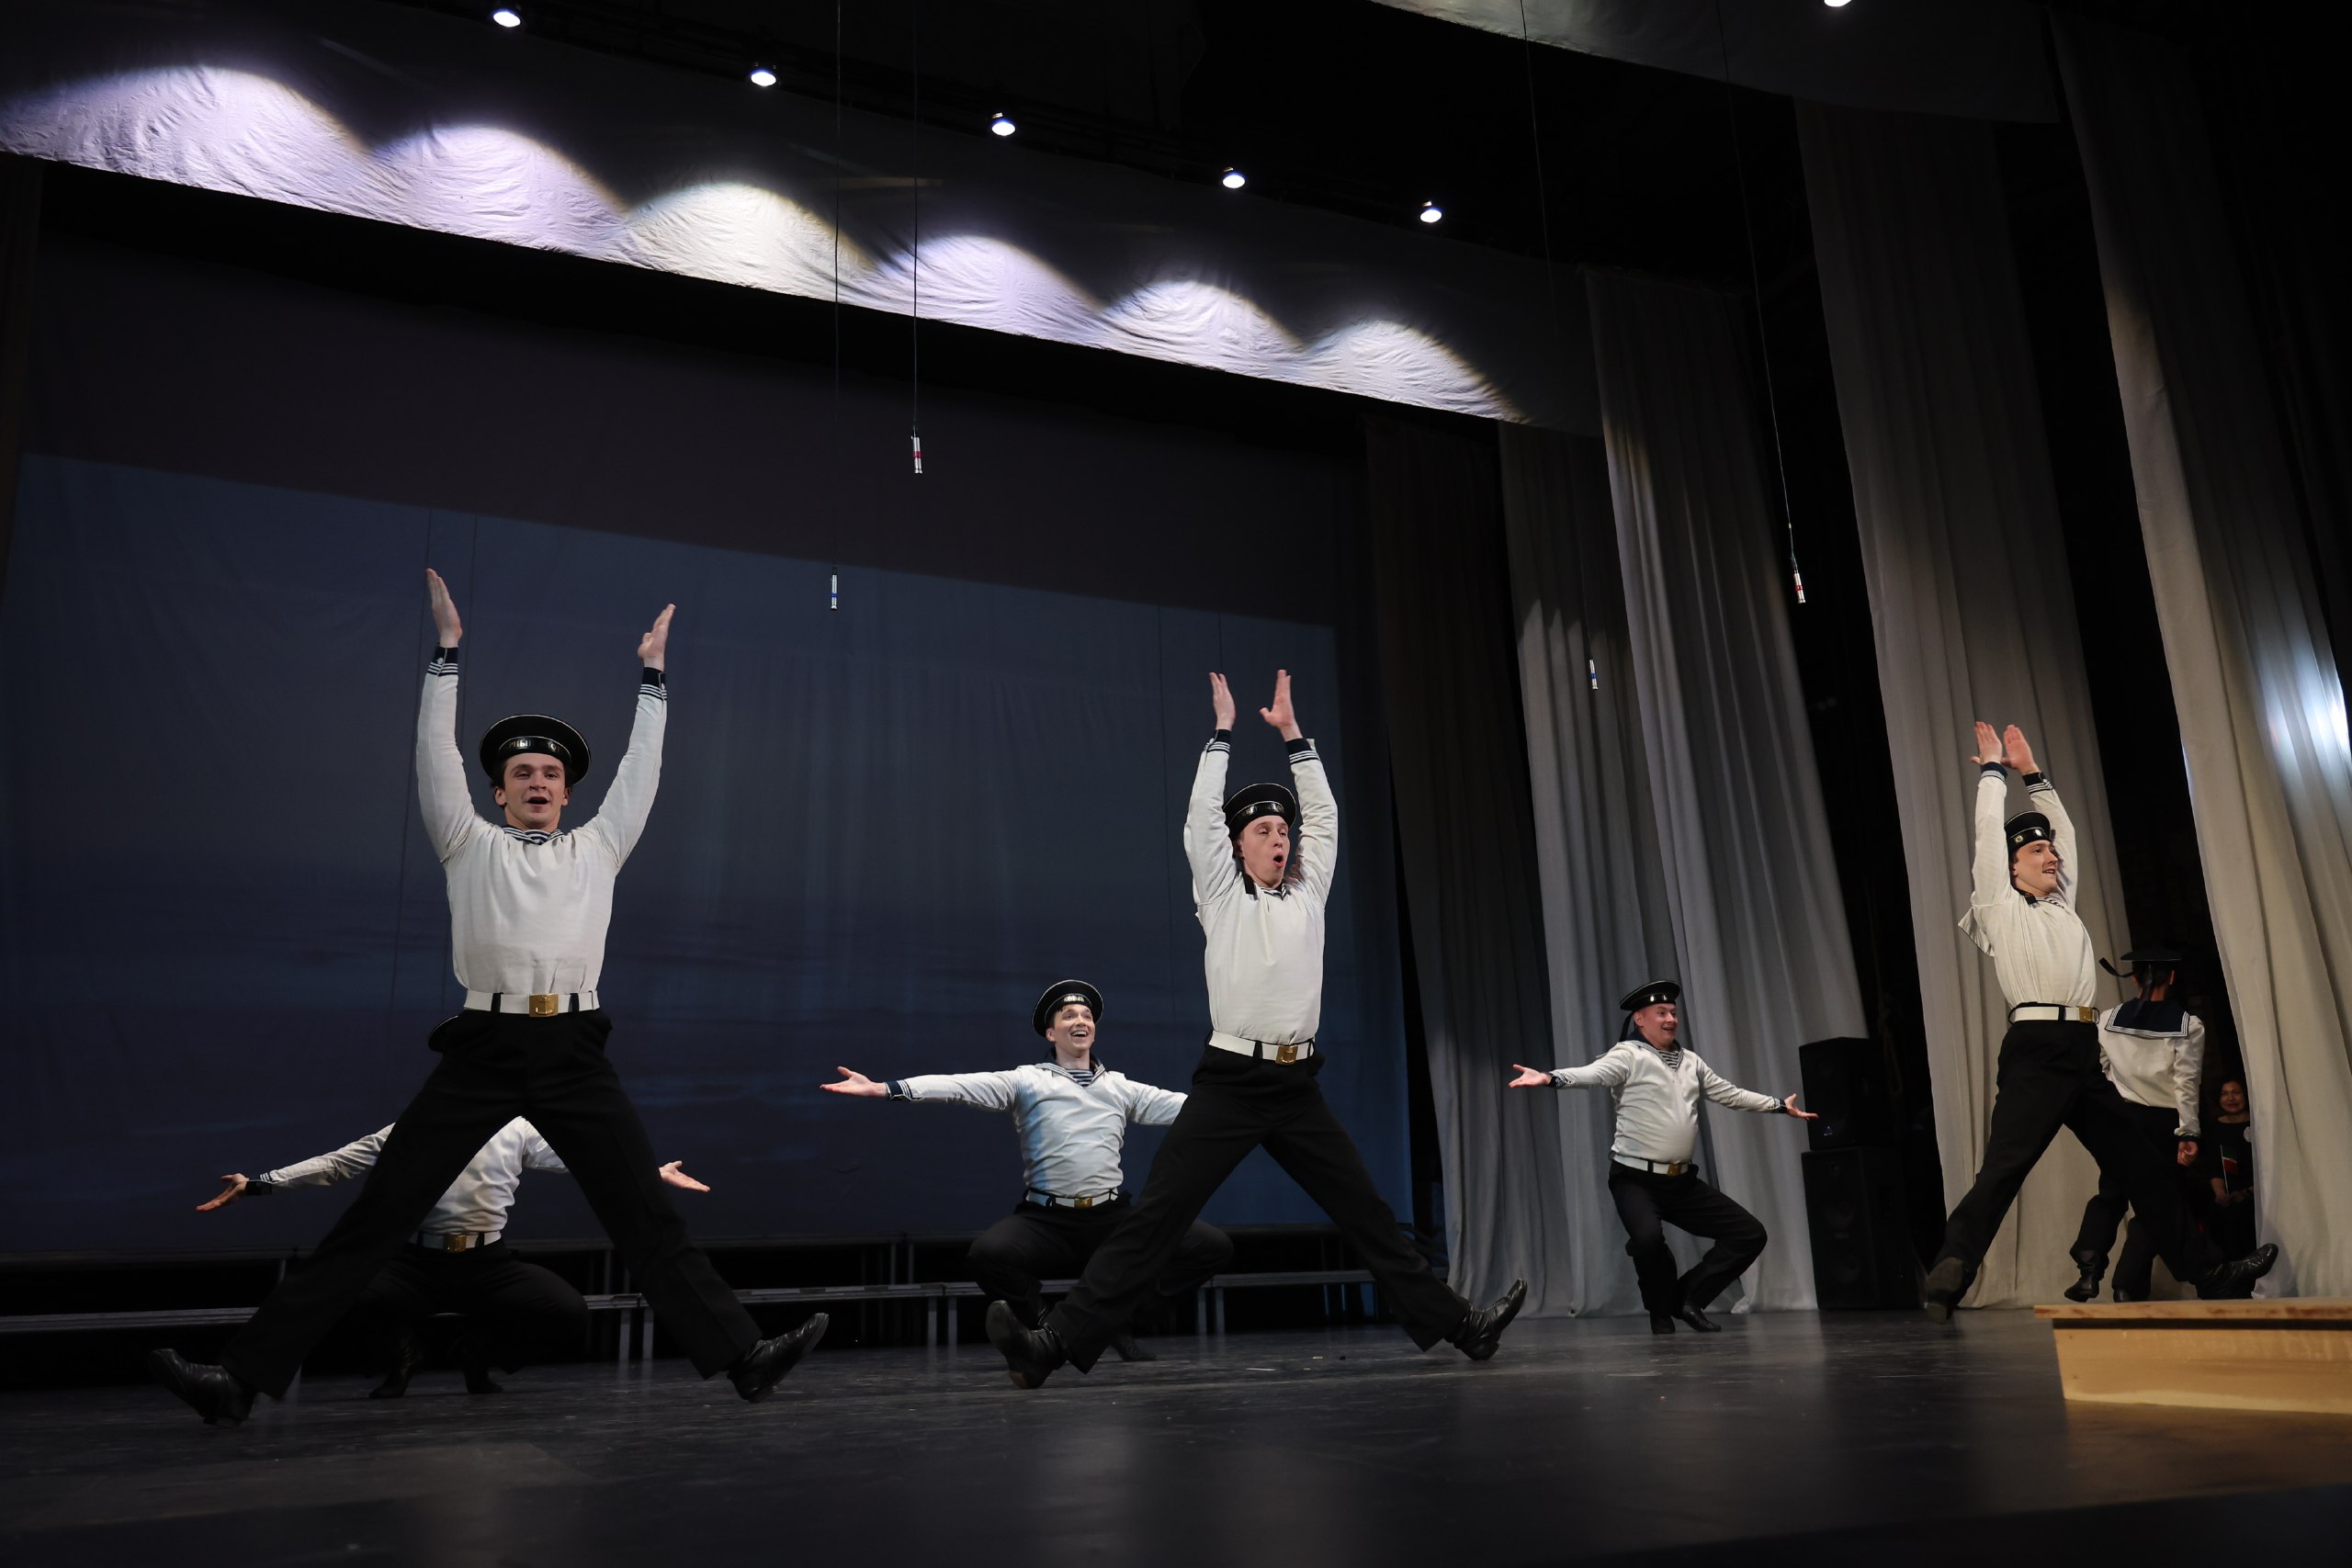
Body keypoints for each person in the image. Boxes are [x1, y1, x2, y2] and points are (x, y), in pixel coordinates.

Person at [149, 570, 825, 1426]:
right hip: (482, 1047)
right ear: (497, 790)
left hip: (574, 1048)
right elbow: (434, 757)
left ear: (568, 792)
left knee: (644, 1216)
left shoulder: (600, 847)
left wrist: (652, 677)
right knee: (378, 1214)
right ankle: (236, 1381)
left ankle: (744, 1358)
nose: (538, 781)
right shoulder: (465, 842)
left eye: (551, 773)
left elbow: (642, 772)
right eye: (521, 772)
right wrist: (446, 655)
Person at [984, 671, 1525, 1388]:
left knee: (1367, 1212)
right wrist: (1223, 735)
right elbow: (1200, 816)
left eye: (1282, 830)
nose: (1279, 838)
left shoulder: (1308, 893)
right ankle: (1048, 1345)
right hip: (1231, 1083)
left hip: (1297, 1085)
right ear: (1236, 846)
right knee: (1156, 1218)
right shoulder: (1221, 894)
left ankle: (1463, 1327)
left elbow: (1324, 816)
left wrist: (1295, 737)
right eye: (1263, 830)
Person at [1920, 724, 2276, 1322]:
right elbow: (1986, 838)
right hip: (2037, 1048)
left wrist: (2034, 774)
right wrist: (1993, 774)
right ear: (2011, 868)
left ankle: (2209, 1272)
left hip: (2083, 1050)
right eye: (2037, 852)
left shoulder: (2062, 903)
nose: (2051, 856)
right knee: (2005, 1167)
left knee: (2143, 1167)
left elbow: (2069, 835)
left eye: (2050, 850)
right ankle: (1951, 1269)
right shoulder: (2001, 908)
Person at [823, 979, 1232, 1359]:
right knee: (987, 1255)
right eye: (1069, 1016)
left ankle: (1112, 1323)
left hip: (1111, 1218)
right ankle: (1051, 1328)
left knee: (1210, 1247)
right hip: (1047, 1220)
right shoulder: (1027, 1082)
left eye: (1087, 1016)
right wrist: (884, 1089)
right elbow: (959, 1086)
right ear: (1051, 1034)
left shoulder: (1120, 1088)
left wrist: (1246, 1108)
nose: (1080, 1021)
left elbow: (1189, 1109)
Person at [198, 1118, 711, 1394]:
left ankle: (478, 1353)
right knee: (336, 1293)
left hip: (487, 1265)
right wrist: (259, 1184)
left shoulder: (516, 1132)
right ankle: (403, 1353)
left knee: (568, 1310)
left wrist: (651, 1173)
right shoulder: (410, 1130)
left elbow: (587, 1162)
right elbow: (337, 1164)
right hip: (415, 1265)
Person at [1509, 981, 1815, 1334]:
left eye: (1673, 1013)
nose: (1671, 1019)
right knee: (1648, 1241)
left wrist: (1778, 1105)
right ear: (1640, 1019)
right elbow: (1593, 1075)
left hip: (1680, 1182)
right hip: (1634, 1179)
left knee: (1749, 1234)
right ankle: (1661, 1313)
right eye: (1661, 1013)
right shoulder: (1628, 1055)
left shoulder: (1691, 1062)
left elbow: (1730, 1094)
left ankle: (1685, 1298)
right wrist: (1549, 1078)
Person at [2064, 947, 2205, 1302]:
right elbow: (2186, 1084)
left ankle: (2088, 1272)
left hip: (2121, 1118)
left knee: (2110, 1195)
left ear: (2134, 978)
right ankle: (2126, 1283)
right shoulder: (2188, 1025)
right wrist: (2188, 1132)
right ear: (2171, 978)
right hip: (2163, 1122)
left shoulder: (2107, 1021)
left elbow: (2100, 1072)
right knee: (2157, 1204)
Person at [2206, 1077, 2258, 1260]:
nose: (2231, 1098)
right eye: (2224, 1094)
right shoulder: (2214, 1128)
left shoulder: (2260, 1122)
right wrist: (2220, 1194)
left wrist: (2247, 1193)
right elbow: (2214, 1167)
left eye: (2236, 1092)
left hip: (2259, 1196)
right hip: (2229, 1199)